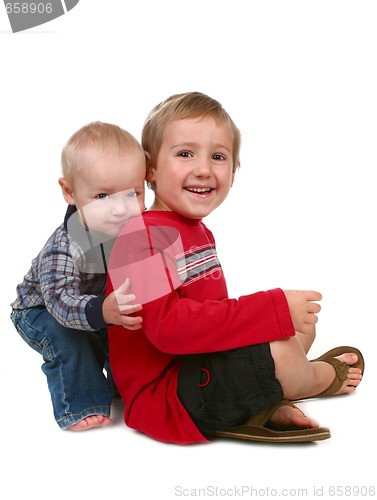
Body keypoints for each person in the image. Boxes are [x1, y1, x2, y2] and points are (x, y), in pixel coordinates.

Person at [106, 92, 364, 444]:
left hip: (198, 367)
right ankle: (317, 378)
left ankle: (265, 401)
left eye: (218, 156)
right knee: (283, 349)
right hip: (168, 393)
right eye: (185, 153)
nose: (204, 169)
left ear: (233, 171)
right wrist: (269, 308)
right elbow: (168, 328)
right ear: (149, 168)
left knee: (299, 331)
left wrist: (271, 322)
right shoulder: (142, 236)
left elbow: (211, 320)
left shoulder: (197, 230)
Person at [10, 122, 146, 431]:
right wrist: (102, 311)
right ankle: (80, 403)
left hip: (97, 304)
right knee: (69, 340)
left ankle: (123, 387)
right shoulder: (64, 246)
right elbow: (60, 302)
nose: (120, 209)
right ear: (70, 192)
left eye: (132, 193)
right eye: (102, 196)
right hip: (42, 309)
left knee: (126, 330)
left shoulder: (132, 230)